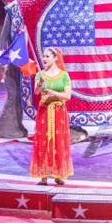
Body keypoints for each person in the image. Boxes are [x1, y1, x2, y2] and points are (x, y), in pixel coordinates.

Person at [31, 47, 73, 185]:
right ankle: (43, 175)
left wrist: (52, 92)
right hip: (44, 112)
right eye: (44, 56)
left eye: (47, 56)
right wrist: (40, 86)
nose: (44, 59)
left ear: (55, 58)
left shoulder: (64, 76)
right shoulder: (40, 75)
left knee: (59, 141)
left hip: (59, 112)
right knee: (43, 140)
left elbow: (67, 96)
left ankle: (59, 174)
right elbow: (37, 92)